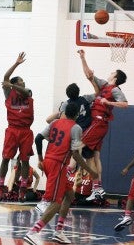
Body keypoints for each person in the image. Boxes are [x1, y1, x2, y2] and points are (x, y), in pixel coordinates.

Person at [24, 102, 98, 245]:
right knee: (56, 202)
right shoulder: (76, 127)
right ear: (77, 114)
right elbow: (76, 155)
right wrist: (90, 170)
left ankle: (59, 232)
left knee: (69, 195)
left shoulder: (55, 122)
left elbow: (38, 138)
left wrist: (40, 158)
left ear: (64, 112)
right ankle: (33, 232)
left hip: (50, 162)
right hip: (57, 165)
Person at [77, 49, 128, 201]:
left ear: (116, 76)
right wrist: (83, 58)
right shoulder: (104, 85)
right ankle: (97, 188)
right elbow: (89, 75)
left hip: (98, 122)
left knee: (77, 145)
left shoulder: (115, 90)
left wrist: (108, 102)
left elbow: (125, 104)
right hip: (99, 124)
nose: (110, 72)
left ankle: (68, 172)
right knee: (94, 156)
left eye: (113, 72)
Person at [0, 52, 34, 202]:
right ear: (16, 83)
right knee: (6, 158)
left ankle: (22, 190)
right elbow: (6, 78)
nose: (24, 83)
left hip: (25, 131)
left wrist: (11, 84)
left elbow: (20, 89)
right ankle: (0, 188)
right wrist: (16, 63)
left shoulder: (28, 92)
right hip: (12, 129)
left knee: (25, 161)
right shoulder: (8, 93)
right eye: (21, 81)